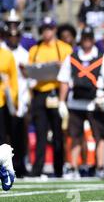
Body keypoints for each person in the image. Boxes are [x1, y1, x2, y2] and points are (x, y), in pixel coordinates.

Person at [57, 27, 104, 178]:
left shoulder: (102, 57)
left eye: (89, 38)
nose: (87, 41)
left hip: (95, 102)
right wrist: (61, 102)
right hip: (75, 103)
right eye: (85, 38)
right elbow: (64, 80)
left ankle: (100, 166)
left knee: (99, 135)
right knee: (74, 136)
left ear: (93, 39)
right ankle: (73, 167)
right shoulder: (72, 57)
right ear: (81, 39)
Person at [28, 17, 72, 177]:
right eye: (44, 29)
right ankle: (37, 170)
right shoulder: (35, 49)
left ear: (54, 30)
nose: (47, 32)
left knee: (58, 133)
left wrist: (60, 66)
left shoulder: (64, 48)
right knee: (40, 133)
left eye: (50, 28)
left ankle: (59, 169)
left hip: (57, 92)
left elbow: (70, 70)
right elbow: (29, 72)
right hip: (40, 92)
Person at [3, 15, 29, 177]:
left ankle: (20, 165)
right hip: (4, 98)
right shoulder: (2, 52)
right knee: (4, 136)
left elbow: (28, 79)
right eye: (10, 35)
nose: (13, 38)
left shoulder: (25, 54)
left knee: (19, 134)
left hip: (21, 97)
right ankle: (5, 167)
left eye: (16, 35)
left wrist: (26, 99)